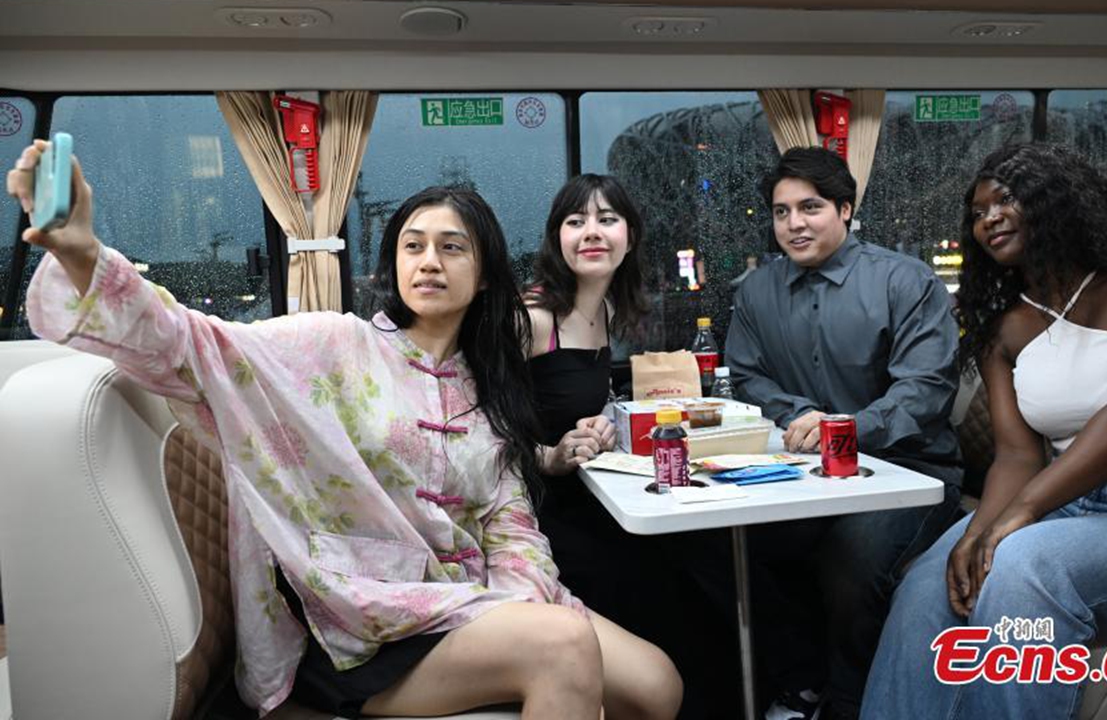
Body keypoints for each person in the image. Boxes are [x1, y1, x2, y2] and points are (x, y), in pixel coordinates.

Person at [6, 140, 682, 720]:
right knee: (560, 645)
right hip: (361, 623)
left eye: (452, 248)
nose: (430, 262)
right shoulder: (333, 345)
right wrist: (82, 252)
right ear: (392, 264)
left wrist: (521, 588)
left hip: (477, 598)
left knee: (658, 685)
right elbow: (191, 343)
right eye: (413, 246)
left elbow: (509, 516)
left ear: (482, 278)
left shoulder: (489, 383)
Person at [862, 143, 1107, 719]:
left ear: (1061, 198)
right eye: (977, 211)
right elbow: (1018, 456)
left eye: (1007, 199)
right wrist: (976, 533)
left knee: (1025, 566)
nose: (988, 217)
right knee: (928, 583)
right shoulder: (1005, 326)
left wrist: (1018, 518)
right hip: (1071, 502)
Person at [717, 146, 963, 720]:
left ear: (845, 209)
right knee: (729, 547)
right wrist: (802, 412)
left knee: (853, 560)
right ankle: (801, 683)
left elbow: (925, 390)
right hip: (804, 472)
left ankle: (853, 705)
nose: (794, 224)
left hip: (909, 469)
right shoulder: (755, 293)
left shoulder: (906, 280)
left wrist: (844, 428)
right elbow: (748, 375)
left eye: (810, 207)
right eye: (781, 213)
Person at [523, 174, 732, 718]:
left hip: (588, 495)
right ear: (557, 239)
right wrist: (549, 455)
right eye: (576, 222)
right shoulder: (532, 319)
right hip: (534, 509)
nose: (592, 233)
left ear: (630, 236)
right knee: (660, 581)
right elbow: (476, 431)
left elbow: (570, 408)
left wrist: (600, 427)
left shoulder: (608, 312)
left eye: (607, 219)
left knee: (707, 563)